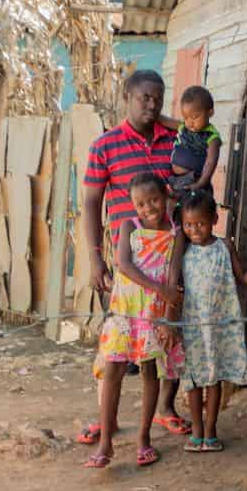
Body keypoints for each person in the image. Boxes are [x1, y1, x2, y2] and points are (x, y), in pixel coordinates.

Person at [81, 70, 189, 435]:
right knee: (119, 343)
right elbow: (92, 203)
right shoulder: (104, 146)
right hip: (128, 266)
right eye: (144, 97)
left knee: (168, 334)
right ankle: (106, 420)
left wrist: (166, 121)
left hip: (168, 259)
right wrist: (96, 258)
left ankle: (165, 409)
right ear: (126, 95)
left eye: (158, 98)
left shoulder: (175, 140)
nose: (151, 104)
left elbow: (203, 127)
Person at [81, 173, 184, 469]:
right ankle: (106, 443)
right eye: (140, 204)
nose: (148, 208)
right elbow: (123, 265)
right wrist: (160, 289)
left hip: (153, 314)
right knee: (113, 369)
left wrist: (168, 314)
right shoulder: (130, 227)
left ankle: (143, 438)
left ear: (164, 196)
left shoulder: (176, 234)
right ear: (133, 206)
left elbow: (174, 276)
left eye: (153, 200)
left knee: (150, 372)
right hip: (125, 310)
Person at [166, 189, 247, 452]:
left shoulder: (225, 247)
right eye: (188, 225)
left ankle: (211, 431)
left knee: (214, 378)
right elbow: (175, 289)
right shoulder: (184, 251)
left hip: (220, 329)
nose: (194, 230)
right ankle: (196, 431)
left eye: (200, 223)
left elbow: (243, 278)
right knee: (193, 379)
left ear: (214, 219)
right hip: (193, 329)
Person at [169, 85, 222, 200]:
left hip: (193, 181)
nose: (190, 122)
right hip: (176, 179)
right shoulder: (183, 127)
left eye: (195, 117)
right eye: (186, 117)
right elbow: (165, 121)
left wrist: (200, 184)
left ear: (210, 113)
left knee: (190, 210)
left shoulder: (212, 137)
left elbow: (210, 163)